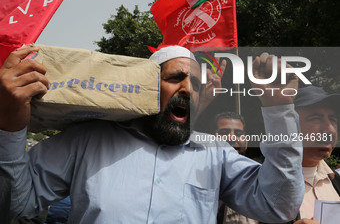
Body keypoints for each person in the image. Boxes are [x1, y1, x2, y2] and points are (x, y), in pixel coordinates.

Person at [0, 46, 304, 223]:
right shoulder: (88, 140)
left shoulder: (215, 153)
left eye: (196, 85)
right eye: (175, 78)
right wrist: (10, 124)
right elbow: (14, 205)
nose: (187, 89)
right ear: (143, 85)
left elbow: (278, 206)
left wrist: (279, 109)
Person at [291, 86, 340, 224]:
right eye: (316, 119)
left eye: (333, 119)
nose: (329, 129)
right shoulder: (256, 181)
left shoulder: (336, 181)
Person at [214, 112, 259, 224]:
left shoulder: (260, 177)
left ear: (247, 141)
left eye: (239, 133)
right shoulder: (201, 177)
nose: (232, 137)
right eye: (224, 132)